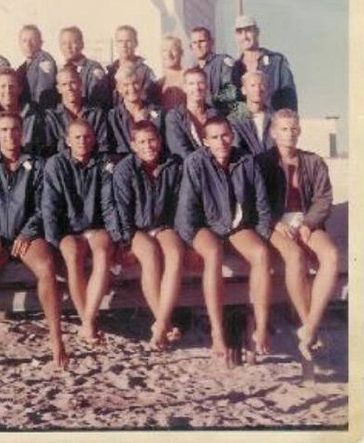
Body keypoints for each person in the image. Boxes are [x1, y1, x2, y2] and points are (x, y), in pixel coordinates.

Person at [0, 112, 67, 376]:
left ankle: (56, 339)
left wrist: (27, 233)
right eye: (4, 130)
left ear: (22, 132)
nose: (10, 134)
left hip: (27, 236)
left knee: (47, 267)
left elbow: (42, 207)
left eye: (15, 129)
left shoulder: (37, 165)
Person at [175, 115, 272, 362]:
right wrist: (191, 243)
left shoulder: (246, 161)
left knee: (261, 254)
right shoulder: (195, 163)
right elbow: (186, 212)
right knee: (214, 252)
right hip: (205, 225)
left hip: (237, 226)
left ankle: (261, 327)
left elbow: (261, 207)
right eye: (215, 137)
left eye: (225, 135)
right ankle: (217, 330)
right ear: (205, 141)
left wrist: (259, 236)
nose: (221, 142)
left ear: (233, 135)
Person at [257, 109, 339, 360]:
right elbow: (255, 200)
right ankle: (308, 324)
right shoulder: (262, 163)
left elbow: (324, 199)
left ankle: (310, 327)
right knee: (295, 257)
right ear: (273, 133)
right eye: (283, 129)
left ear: (300, 130)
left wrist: (309, 222)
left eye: (293, 128)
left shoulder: (313, 161)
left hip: (305, 220)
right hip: (276, 224)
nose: (289, 134)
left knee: (332, 255)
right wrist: (272, 222)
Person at [42, 119, 121, 344]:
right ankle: (88, 321)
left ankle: (87, 321)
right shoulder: (56, 165)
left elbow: (108, 205)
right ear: (67, 140)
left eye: (87, 137)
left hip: (96, 227)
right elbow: (50, 206)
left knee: (103, 251)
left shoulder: (103, 164)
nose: (82, 141)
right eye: (77, 137)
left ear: (94, 139)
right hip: (69, 230)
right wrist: (53, 241)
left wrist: (117, 236)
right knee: (72, 254)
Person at [113, 121, 184, 349]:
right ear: (133, 145)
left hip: (163, 224)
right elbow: (122, 209)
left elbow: (179, 205)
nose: (148, 146)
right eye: (141, 142)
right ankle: (164, 322)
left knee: (174, 253)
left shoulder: (172, 166)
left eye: (152, 140)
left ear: (160, 141)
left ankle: (161, 324)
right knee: (151, 255)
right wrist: (126, 241)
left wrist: (173, 230)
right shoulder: (125, 169)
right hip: (137, 228)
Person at [231, 15, 297, 112]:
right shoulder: (234, 68)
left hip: (274, 122)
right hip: (246, 125)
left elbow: (289, 98)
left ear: (257, 32)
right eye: (240, 32)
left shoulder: (276, 62)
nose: (244, 36)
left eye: (248, 31)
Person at [0, 66, 46, 156]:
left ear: (20, 89)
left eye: (11, 86)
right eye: (3, 86)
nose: (8, 90)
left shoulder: (34, 115)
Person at [44, 66, 108, 155]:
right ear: (58, 89)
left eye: (72, 83)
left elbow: (103, 146)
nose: (69, 88)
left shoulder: (96, 114)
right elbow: (48, 151)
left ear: (80, 84)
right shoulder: (51, 117)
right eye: (64, 84)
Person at [108, 64, 164, 157]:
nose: (132, 88)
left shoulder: (158, 113)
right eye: (126, 85)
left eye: (135, 83)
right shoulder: (112, 117)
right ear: (119, 89)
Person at [165, 67, 218, 160]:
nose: (197, 88)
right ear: (184, 88)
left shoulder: (215, 115)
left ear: (207, 86)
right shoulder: (174, 117)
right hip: (187, 169)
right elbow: (180, 151)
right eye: (191, 84)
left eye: (200, 83)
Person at [106, 25, 158, 109]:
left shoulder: (145, 72)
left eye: (128, 41)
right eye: (120, 41)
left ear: (136, 43)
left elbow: (150, 100)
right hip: (115, 119)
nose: (124, 45)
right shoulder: (110, 73)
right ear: (115, 44)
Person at [58, 26, 108, 110]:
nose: (68, 47)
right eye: (64, 43)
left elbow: (99, 104)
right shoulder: (62, 71)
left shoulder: (93, 70)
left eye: (73, 42)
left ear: (82, 44)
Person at [229, 71, 275, 156]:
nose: (257, 89)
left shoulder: (276, 119)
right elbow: (235, 150)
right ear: (244, 90)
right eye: (252, 85)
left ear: (267, 90)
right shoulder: (234, 121)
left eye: (261, 85)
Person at [16, 24, 58, 111]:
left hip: (39, 113)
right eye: (24, 41)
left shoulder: (44, 60)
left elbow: (44, 93)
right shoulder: (23, 67)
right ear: (19, 44)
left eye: (33, 40)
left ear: (40, 42)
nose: (28, 45)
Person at [189, 26, 234, 106]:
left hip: (222, 115)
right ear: (191, 46)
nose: (198, 46)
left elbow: (231, 92)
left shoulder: (222, 62)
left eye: (202, 41)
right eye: (194, 43)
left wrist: (208, 100)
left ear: (211, 42)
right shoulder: (192, 70)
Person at [157, 36, 186, 112]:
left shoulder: (189, 77)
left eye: (173, 50)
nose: (169, 54)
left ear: (181, 52)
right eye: (165, 50)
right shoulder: (159, 83)